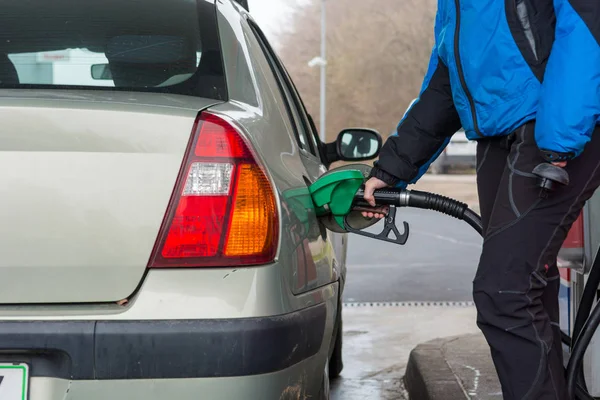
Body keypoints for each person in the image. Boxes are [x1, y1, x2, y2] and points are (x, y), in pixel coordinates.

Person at [362, 1, 600, 399]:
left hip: (553, 127)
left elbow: (585, 23)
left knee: (504, 293)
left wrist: (559, 138)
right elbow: (446, 81)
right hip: (497, 132)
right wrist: (389, 170)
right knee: (527, 288)